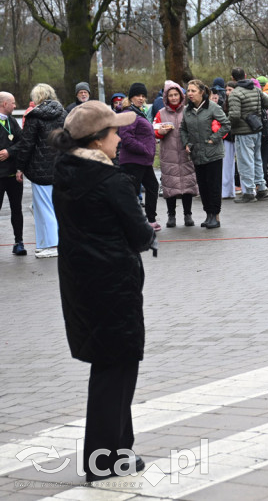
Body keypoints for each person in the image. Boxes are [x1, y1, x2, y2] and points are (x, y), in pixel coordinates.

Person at [50, 101, 154, 483]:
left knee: (111, 366)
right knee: (117, 369)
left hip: (81, 285)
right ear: (96, 140)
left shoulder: (66, 173)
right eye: (114, 132)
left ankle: (119, 450)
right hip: (114, 285)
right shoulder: (111, 181)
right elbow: (141, 235)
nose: (120, 137)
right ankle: (103, 459)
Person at [13, 83, 65, 258]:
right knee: (54, 207)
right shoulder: (63, 113)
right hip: (60, 167)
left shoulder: (34, 116)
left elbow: (27, 144)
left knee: (44, 208)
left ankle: (51, 244)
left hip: (40, 169)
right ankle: (44, 243)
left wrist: (20, 166)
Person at [181, 79, 230, 228]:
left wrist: (213, 139)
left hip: (213, 153)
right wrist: (186, 143)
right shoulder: (186, 110)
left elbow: (226, 124)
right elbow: (182, 129)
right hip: (197, 154)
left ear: (202, 92)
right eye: (188, 91)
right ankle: (208, 214)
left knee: (213, 185)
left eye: (193, 91)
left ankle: (215, 215)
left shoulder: (213, 108)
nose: (190, 94)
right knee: (203, 186)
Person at [153, 81, 199, 227]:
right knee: (170, 186)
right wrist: (160, 132)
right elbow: (154, 131)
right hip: (169, 155)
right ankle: (171, 215)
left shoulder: (188, 111)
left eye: (176, 95)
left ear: (181, 96)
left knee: (187, 186)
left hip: (186, 154)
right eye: (170, 95)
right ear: (166, 97)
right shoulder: (160, 113)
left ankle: (188, 215)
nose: (173, 98)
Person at [118, 83, 161, 230]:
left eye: (143, 96)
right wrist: (145, 149)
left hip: (143, 161)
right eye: (138, 96)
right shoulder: (128, 114)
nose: (141, 98)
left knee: (152, 187)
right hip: (133, 161)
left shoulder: (138, 112)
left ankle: (150, 219)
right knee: (132, 192)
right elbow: (126, 138)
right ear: (131, 98)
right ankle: (131, 222)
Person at [227, 67, 268, 203]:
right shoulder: (256, 89)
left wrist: (228, 125)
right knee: (257, 159)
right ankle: (262, 188)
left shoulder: (235, 93)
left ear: (233, 78)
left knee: (245, 162)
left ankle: (248, 192)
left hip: (243, 132)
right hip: (257, 129)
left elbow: (234, 116)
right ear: (245, 76)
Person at [0, 91, 26, 255]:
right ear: (4, 104)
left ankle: (19, 242)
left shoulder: (12, 122)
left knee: (17, 209)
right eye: (13, 103)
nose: (15, 106)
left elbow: (23, 142)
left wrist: (9, 152)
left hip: (13, 175)